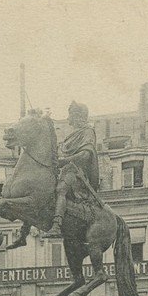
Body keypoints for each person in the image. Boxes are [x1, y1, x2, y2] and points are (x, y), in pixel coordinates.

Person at [44, 101, 99, 238]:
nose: (69, 119)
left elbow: (86, 155)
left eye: (71, 115)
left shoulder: (88, 131)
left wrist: (64, 161)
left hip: (77, 173)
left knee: (60, 189)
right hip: (66, 170)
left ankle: (56, 225)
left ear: (79, 116)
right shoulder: (72, 135)